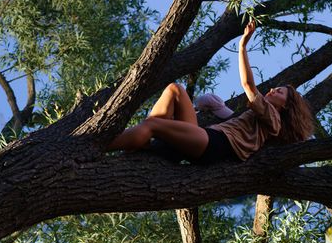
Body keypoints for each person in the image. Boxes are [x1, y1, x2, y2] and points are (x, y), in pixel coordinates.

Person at [107, 21, 314, 164]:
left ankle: (100, 145)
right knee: (175, 89)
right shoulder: (259, 119)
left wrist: (242, 47)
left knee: (151, 125)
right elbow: (228, 115)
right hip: (208, 137)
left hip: (215, 145)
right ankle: (154, 142)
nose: (272, 90)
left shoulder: (274, 118)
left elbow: (248, 85)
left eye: (278, 91)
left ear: (286, 105)